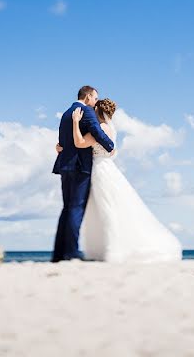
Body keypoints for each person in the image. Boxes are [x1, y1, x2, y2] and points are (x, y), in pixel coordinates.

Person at [62, 97, 182, 263]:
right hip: (108, 167)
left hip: (98, 170)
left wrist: (76, 122)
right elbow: (111, 152)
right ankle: (107, 247)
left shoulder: (99, 129)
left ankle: (112, 248)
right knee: (109, 207)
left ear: (96, 110)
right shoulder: (111, 129)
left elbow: (80, 143)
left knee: (105, 209)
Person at [51, 85, 114, 262]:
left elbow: (63, 141)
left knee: (67, 209)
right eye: (94, 98)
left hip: (65, 166)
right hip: (80, 167)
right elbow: (97, 132)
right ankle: (71, 252)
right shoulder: (85, 111)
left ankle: (59, 253)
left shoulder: (65, 113)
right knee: (76, 208)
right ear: (87, 97)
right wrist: (111, 146)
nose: (95, 102)